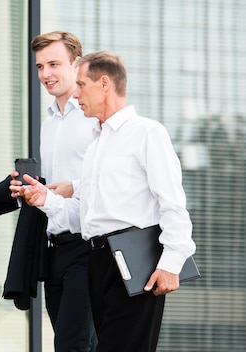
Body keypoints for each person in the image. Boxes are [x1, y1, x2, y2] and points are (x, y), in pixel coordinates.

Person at [12, 51, 197, 351]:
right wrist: (45, 199)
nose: (77, 94)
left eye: (82, 85)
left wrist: (172, 263)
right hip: (97, 261)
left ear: (105, 83)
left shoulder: (147, 133)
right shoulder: (97, 144)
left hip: (136, 262)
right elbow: (85, 216)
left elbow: (173, 204)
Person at [0, 31, 97, 351]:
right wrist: (26, 187)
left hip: (88, 247)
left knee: (72, 344)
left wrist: (73, 188)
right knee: (74, 341)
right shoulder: (48, 121)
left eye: (54, 64)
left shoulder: (93, 118)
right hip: (53, 247)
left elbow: (113, 179)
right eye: (40, 66)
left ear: (77, 65)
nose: (46, 74)